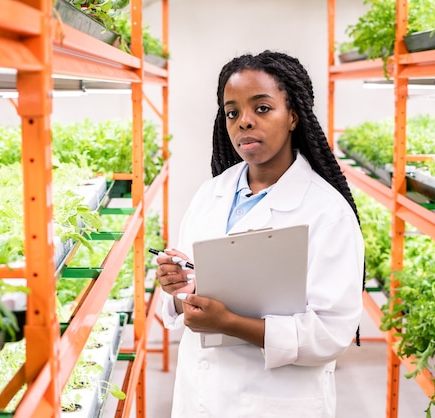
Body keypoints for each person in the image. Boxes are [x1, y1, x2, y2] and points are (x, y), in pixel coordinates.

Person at [156, 50, 364, 418]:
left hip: (277, 402)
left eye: (262, 108)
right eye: (232, 112)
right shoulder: (212, 193)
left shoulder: (327, 212)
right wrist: (175, 290)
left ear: (294, 117)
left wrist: (230, 323)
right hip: (199, 396)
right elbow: (182, 293)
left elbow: (331, 334)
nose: (243, 122)